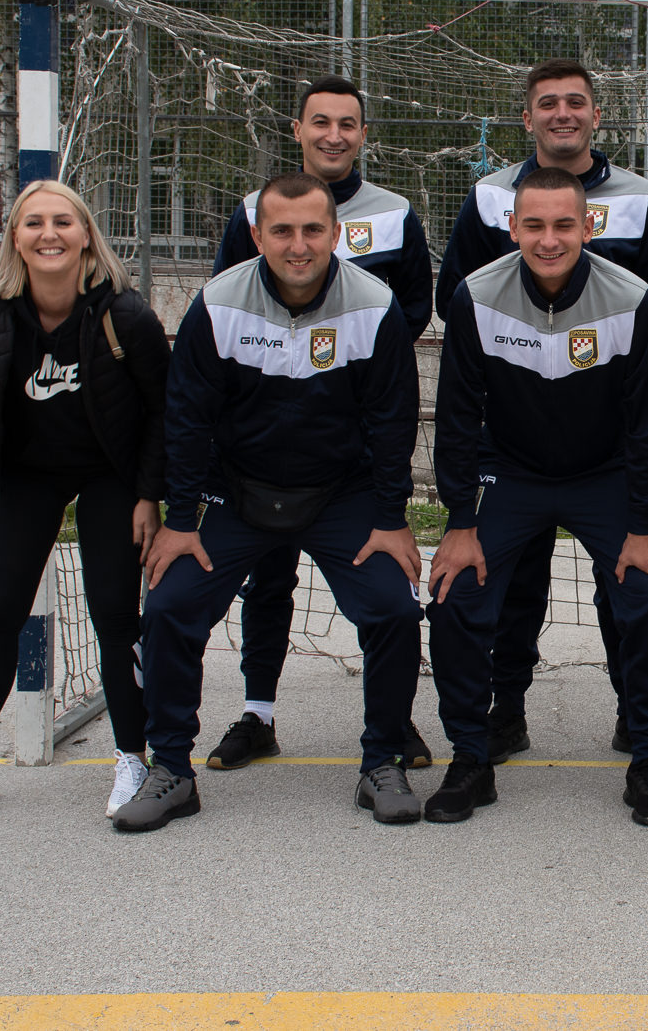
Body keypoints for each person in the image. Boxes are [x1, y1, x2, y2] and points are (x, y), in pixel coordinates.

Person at [113, 171, 424, 832]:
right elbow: (187, 419)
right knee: (168, 605)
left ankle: (382, 761)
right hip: (236, 489)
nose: (298, 245)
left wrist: (391, 517)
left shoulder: (375, 305)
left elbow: (393, 421)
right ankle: (171, 769)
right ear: (257, 236)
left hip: (341, 492)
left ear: (336, 233)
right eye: (282, 231)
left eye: (312, 230)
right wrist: (180, 521)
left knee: (394, 607)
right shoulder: (218, 303)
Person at [432, 58, 648, 768]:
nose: (563, 113)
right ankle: (500, 718)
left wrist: (586, 338)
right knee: (503, 586)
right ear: (528, 117)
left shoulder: (640, 203)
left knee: (630, 588)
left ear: (596, 115)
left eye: (577, 102)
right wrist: (458, 511)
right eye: (548, 103)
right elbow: (462, 310)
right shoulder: (488, 198)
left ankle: (639, 725)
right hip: (511, 451)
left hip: (601, 445)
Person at [0, 179, 169, 819]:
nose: (49, 233)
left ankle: (133, 758)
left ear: (86, 237)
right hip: (27, 474)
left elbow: (165, 409)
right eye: (34, 223)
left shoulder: (126, 314)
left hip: (109, 473)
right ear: (15, 240)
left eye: (63, 222)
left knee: (114, 614)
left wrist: (148, 495)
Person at [202, 76, 435, 775]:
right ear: (297, 130)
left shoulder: (394, 214)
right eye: (321, 122)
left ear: (363, 134)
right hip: (262, 442)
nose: (334, 135)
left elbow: (411, 310)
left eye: (347, 123)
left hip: (350, 443)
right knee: (267, 582)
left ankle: (392, 722)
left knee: (377, 591)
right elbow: (229, 306)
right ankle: (258, 714)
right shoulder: (255, 210)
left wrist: (341, 369)